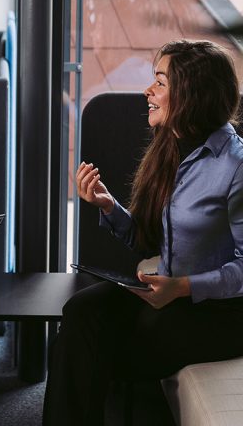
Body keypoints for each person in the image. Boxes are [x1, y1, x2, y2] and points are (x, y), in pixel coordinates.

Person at [43, 39, 243, 425]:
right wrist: (108, 207)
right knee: (80, 311)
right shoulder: (171, 146)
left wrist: (182, 286)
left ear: (192, 94)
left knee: (98, 349)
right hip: (168, 295)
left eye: (160, 82)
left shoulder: (236, 167)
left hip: (222, 313)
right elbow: (148, 239)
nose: (147, 91)